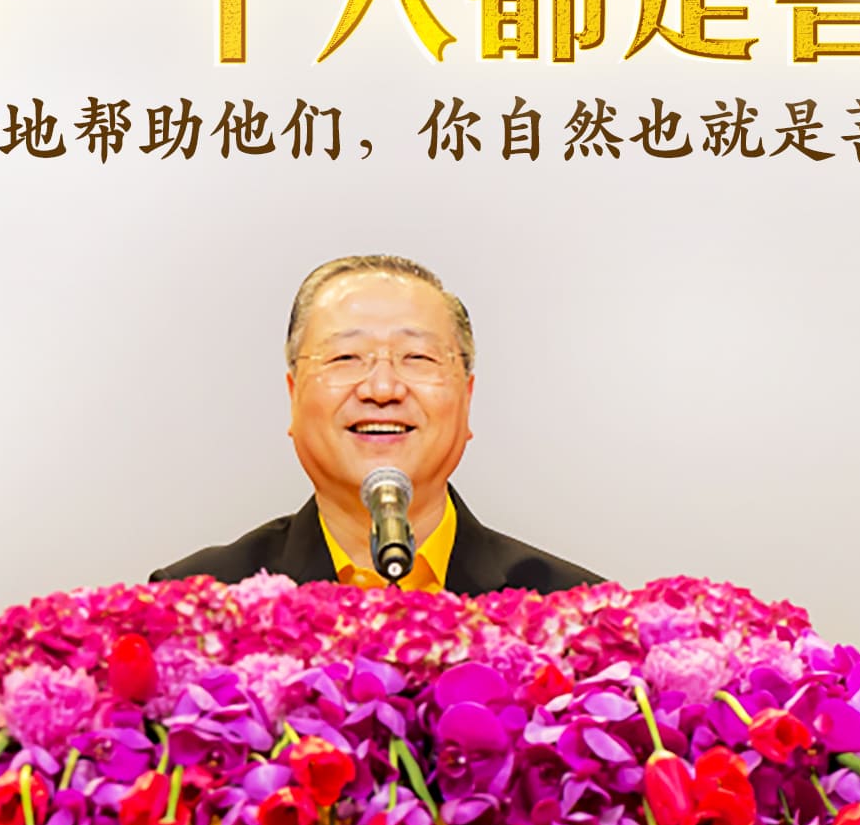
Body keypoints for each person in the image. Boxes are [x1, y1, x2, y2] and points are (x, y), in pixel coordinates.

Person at [151, 255, 601, 596]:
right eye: (345, 357)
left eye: (418, 357)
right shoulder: (200, 604)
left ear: (467, 398)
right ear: (294, 395)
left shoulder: (570, 615)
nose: (383, 388)